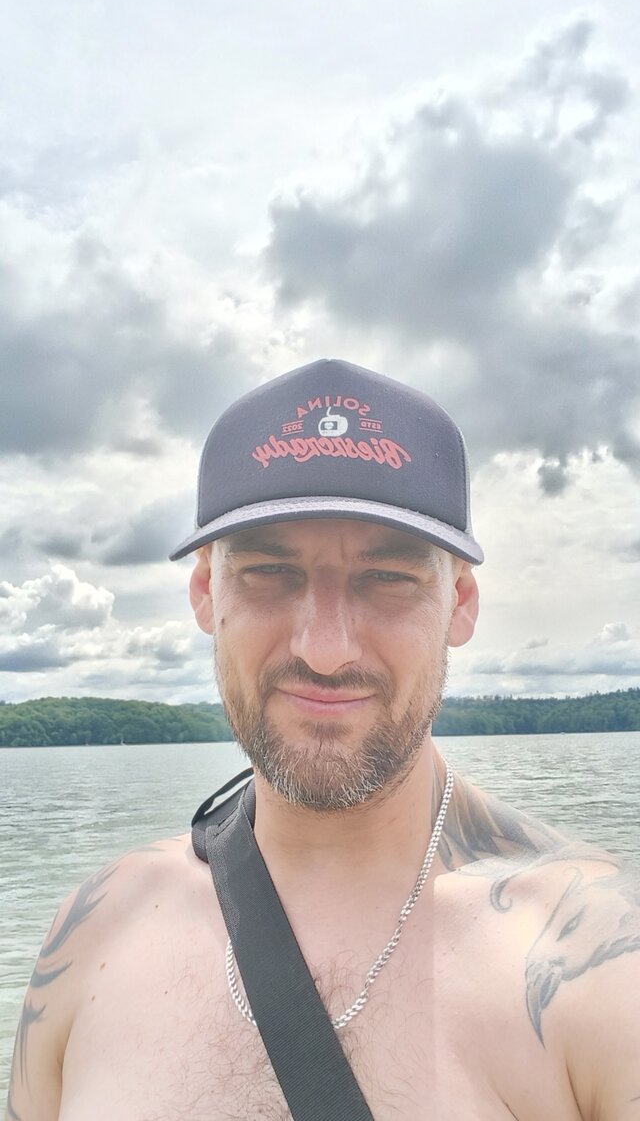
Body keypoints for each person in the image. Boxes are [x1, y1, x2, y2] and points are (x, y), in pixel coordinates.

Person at [5, 358, 640, 1121]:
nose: (327, 649)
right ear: (205, 592)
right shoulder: (92, 936)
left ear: (461, 602)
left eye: (388, 577)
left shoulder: (596, 960)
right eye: (270, 571)